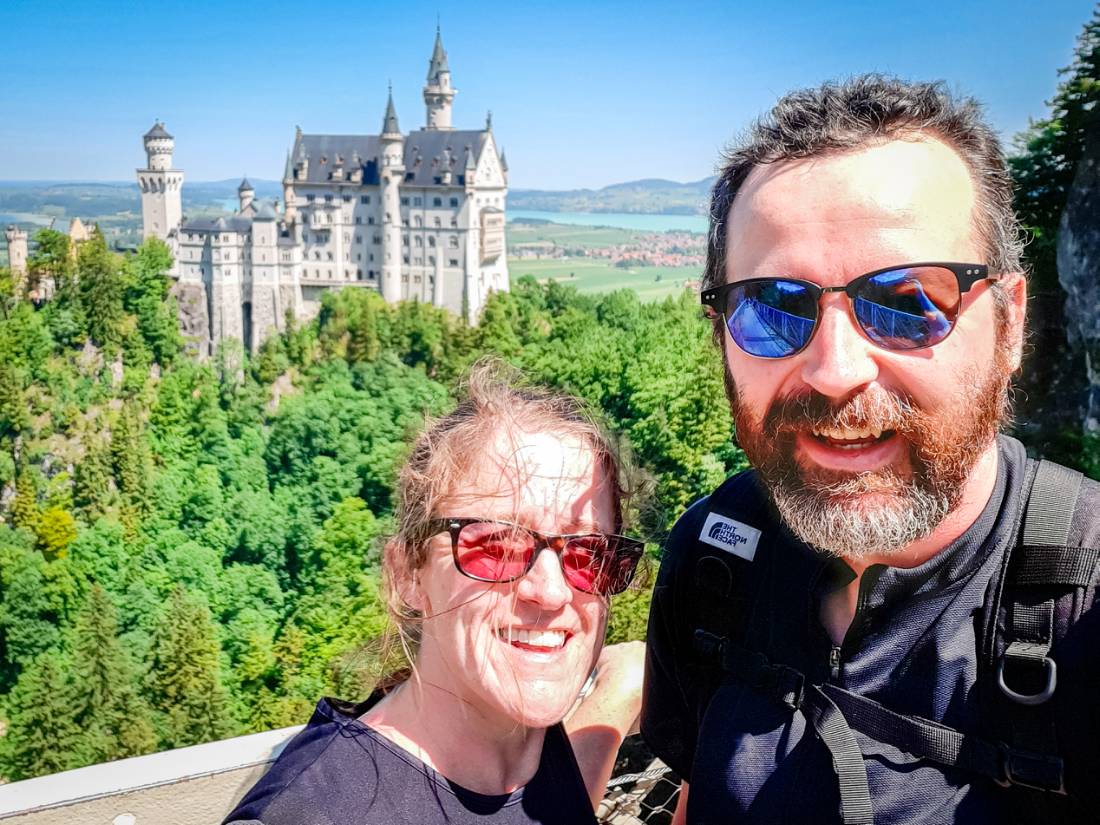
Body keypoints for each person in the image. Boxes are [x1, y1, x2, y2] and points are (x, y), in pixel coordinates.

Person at [641, 76, 1100, 824]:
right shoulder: (715, 560)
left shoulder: (1087, 605)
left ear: (1009, 325)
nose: (834, 368)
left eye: (907, 301)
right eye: (772, 306)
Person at [226, 364, 646, 824]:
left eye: (589, 553)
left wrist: (617, 696)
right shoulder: (311, 812)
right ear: (407, 573)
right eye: (497, 545)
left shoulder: (528, 751)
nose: (550, 591)